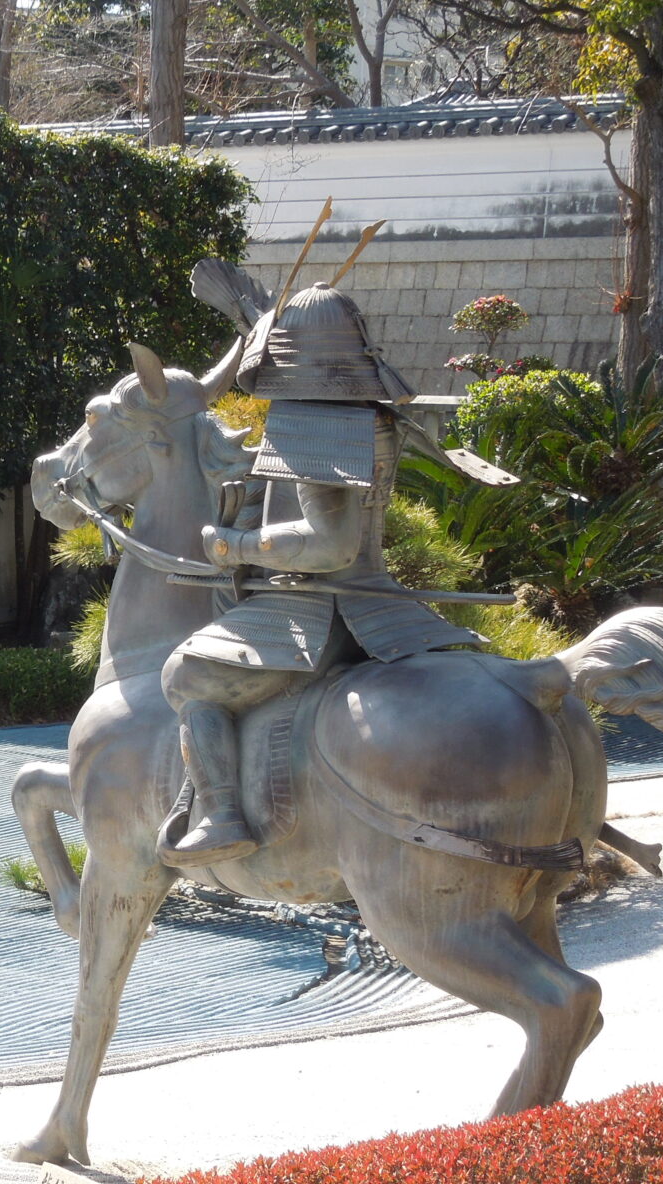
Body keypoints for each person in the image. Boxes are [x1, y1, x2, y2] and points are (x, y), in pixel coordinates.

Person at [158, 280, 491, 867]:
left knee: (185, 676)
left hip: (320, 608)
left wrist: (234, 546)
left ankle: (222, 814)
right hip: (385, 604)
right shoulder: (374, 414)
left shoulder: (313, 419)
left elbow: (331, 544)